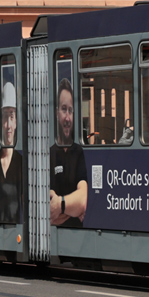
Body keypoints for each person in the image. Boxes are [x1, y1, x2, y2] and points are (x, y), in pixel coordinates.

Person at [49, 80, 88, 228]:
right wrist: (72, 207)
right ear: (56, 112)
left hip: (77, 237)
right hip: (52, 239)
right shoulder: (49, 154)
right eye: (64, 109)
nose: (67, 117)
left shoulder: (78, 152)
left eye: (70, 111)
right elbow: (48, 207)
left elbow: (82, 200)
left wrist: (60, 204)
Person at [0, 81, 24, 224]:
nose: (8, 125)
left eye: (12, 116)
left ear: (16, 122)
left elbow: (23, 201)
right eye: (5, 117)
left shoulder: (20, 162)